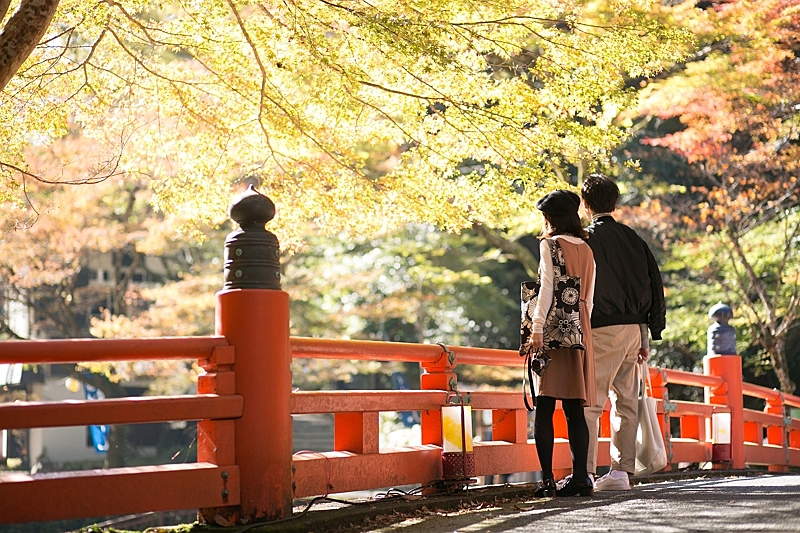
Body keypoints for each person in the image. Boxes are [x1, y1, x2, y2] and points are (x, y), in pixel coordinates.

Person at [579, 174, 666, 491]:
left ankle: (585, 472)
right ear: (614, 202)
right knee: (627, 402)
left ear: (586, 205)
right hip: (633, 328)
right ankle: (620, 473)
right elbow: (652, 284)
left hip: (602, 328)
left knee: (591, 402)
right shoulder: (633, 239)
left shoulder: (586, 239)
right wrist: (647, 333)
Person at [528, 190, 597, 498]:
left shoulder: (550, 245)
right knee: (574, 408)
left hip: (553, 326)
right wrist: (582, 329)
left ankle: (545, 480)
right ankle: (581, 478)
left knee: (543, 405)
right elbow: (590, 298)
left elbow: (546, 289)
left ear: (550, 219)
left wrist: (537, 328)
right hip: (580, 327)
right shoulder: (587, 249)